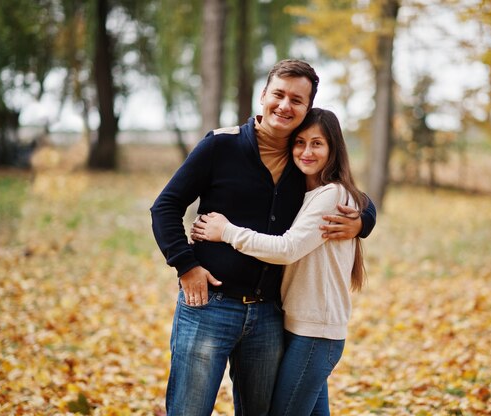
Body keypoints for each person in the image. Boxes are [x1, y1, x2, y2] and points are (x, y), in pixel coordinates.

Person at [150, 59, 376, 416]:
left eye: (297, 100)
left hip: (269, 316)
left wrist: (363, 221)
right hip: (210, 306)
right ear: (263, 96)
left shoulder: (301, 157)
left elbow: (346, 192)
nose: (285, 106)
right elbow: (165, 206)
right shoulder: (219, 146)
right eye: (279, 95)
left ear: (306, 109)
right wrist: (185, 265)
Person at [193, 108, 368, 416]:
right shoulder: (305, 193)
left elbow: (287, 249)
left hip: (317, 332)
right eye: (300, 143)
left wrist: (227, 231)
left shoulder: (333, 195)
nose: (306, 151)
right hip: (301, 326)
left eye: (317, 144)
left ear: (333, 148)